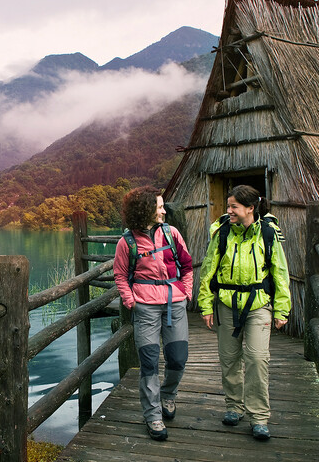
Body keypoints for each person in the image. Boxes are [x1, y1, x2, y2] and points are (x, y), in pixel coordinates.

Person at [197, 185, 291, 441]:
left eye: (233, 207)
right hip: (226, 304)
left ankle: (259, 417)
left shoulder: (268, 234)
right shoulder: (223, 232)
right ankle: (234, 406)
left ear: (250, 208)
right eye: (228, 207)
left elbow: (280, 273)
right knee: (229, 359)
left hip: (258, 305)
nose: (229, 211)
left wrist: (282, 308)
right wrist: (206, 305)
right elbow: (208, 270)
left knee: (257, 359)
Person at [114, 186, 193, 441]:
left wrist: (187, 292)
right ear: (145, 210)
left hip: (175, 303)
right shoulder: (126, 242)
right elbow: (120, 274)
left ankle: (168, 396)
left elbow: (188, 265)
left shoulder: (172, 234)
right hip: (145, 307)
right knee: (148, 363)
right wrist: (130, 300)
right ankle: (153, 416)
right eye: (159, 206)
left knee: (178, 358)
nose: (163, 210)